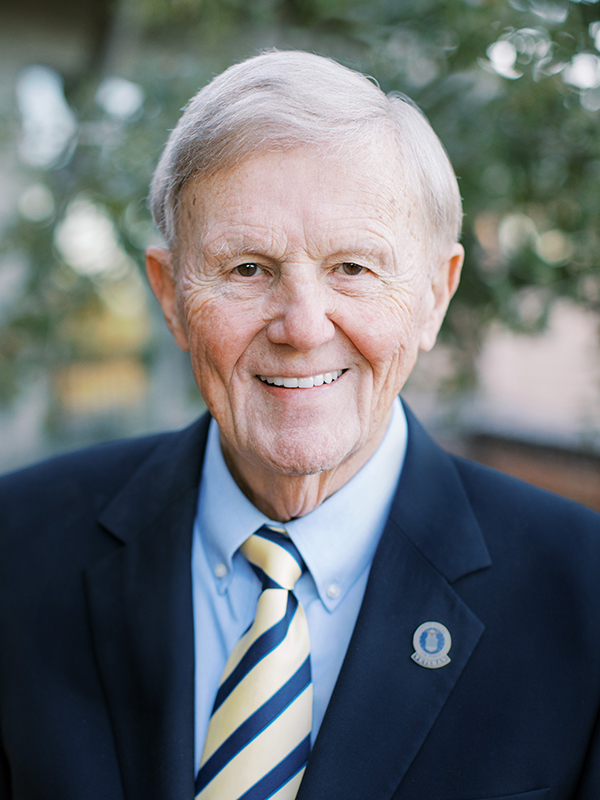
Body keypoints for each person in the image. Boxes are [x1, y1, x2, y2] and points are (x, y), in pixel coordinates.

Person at [0, 50, 599, 800]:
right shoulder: (13, 546)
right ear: (170, 295)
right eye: (247, 269)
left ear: (434, 298)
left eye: (353, 268)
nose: (302, 326)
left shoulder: (585, 598)